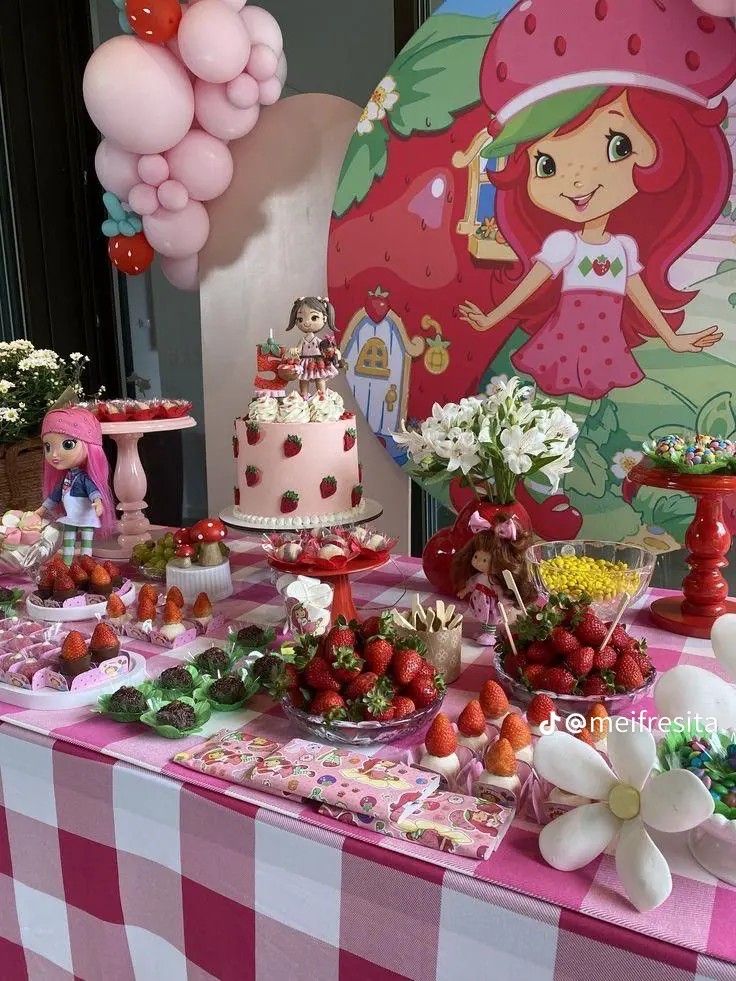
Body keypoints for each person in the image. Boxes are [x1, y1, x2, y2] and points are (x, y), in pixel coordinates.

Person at [36, 407, 115, 564]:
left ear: (90, 447)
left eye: (67, 444)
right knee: (68, 543)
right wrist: (41, 511)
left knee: (86, 545)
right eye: (48, 447)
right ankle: (66, 566)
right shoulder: (65, 479)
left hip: (86, 517)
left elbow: (93, 492)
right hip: (71, 517)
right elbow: (54, 497)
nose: (54, 455)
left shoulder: (84, 478)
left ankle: (87, 564)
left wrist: (98, 503)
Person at [285, 296, 341, 397]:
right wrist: (294, 350)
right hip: (305, 362)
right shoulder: (303, 340)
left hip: (317, 362)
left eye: (314, 318)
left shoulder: (319, 341)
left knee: (319, 378)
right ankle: (304, 395)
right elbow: (298, 350)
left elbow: (326, 349)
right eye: (300, 319)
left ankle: (321, 395)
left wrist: (333, 351)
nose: (306, 322)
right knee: (303, 379)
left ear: (324, 318)